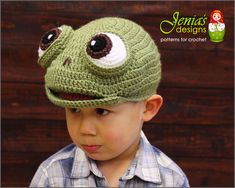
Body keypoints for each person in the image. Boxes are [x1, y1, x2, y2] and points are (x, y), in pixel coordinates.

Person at [30, 17, 189, 187]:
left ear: (148, 108)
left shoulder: (171, 180)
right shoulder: (52, 176)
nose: (85, 130)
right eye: (74, 110)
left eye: (101, 111)